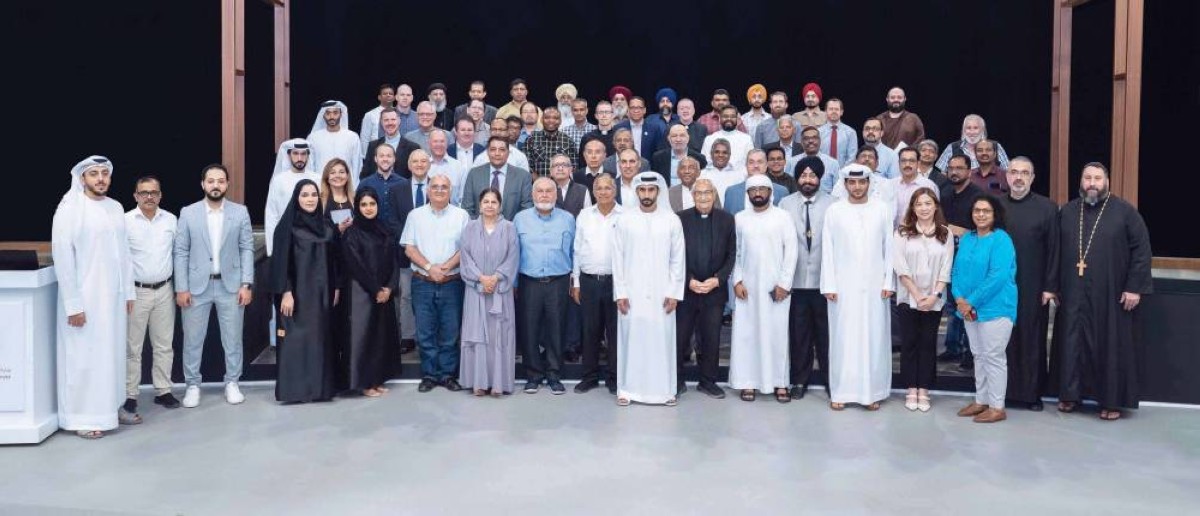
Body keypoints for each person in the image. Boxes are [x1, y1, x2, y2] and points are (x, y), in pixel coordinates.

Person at [1051, 162, 1152, 420]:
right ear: (1081, 181)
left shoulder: (1125, 212)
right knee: (1071, 341)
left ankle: (1111, 401)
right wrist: (1054, 286)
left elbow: (1141, 251)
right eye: (1087, 178)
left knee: (1109, 343)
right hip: (1072, 291)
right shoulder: (1068, 212)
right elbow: (1055, 251)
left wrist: (1134, 287)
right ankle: (1070, 395)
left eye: (1097, 178)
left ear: (1107, 182)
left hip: (1111, 292)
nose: (1092, 183)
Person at [52, 156, 135, 438]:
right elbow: (63, 258)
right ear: (82, 179)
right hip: (84, 300)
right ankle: (83, 418)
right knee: (84, 357)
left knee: (111, 355)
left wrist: (128, 292)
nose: (100, 179)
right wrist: (73, 305)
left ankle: (111, 407)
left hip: (113, 298)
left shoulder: (116, 207)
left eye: (104, 173)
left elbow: (124, 253)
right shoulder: (70, 209)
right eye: (94, 174)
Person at [175, 164, 254, 408]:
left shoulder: (240, 212)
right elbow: (181, 251)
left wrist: (246, 284)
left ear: (227, 183)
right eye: (211, 181)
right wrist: (181, 287)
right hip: (195, 288)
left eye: (220, 181)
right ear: (203, 184)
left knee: (233, 339)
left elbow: (246, 248)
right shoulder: (188, 213)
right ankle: (192, 385)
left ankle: (232, 382)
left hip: (231, 286)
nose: (216, 185)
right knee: (192, 340)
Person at [821, 164, 894, 410]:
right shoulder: (835, 211)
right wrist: (829, 284)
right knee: (843, 338)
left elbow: (889, 248)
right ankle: (841, 392)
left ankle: (873, 393)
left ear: (869, 183)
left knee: (874, 338)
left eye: (862, 182)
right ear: (845, 184)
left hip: (875, 286)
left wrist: (888, 281)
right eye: (852, 182)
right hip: (842, 287)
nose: (857, 187)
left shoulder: (882, 209)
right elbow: (828, 249)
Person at [612, 172, 686, 406]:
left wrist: (674, 292)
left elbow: (678, 260)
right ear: (636, 192)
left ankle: (665, 391)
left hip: (663, 294)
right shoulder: (625, 220)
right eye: (642, 190)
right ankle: (627, 390)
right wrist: (620, 292)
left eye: (651, 190)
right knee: (631, 340)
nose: (646, 194)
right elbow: (617, 258)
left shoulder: (671, 220)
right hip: (631, 293)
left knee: (662, 340)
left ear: (658, 192)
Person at [729, 175, 799, 403]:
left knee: (777, 335)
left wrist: (784, 284)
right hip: (747, 289)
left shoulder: (783, 217)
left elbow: (791, 252)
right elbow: (736, 253)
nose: (758, 193)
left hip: (775, 289)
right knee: (747, 336)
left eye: (762, 189)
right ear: (748, 194)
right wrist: (737, 281)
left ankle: (779, 382)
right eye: (753, 190)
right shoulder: (740, 219)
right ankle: (747, 381)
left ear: (770, 192)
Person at [269, 180, 340, 403]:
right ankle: (296, 392)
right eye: (305, 195)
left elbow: (336, 261)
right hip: (297, 296)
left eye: (313, 195)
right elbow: (281, 263)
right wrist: (286, 292)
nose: (310, 199)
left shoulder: (327, 227)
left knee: (321, 341)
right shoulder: (287, 228)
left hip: (323, 295)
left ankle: (320, 390)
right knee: (296, 342)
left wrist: (337, 287)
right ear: (296, 198)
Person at [998, 157, 1060, 411]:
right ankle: (1003, 392)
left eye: (1025, 173)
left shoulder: (1047, 208)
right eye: (1014, 172)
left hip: (1034, 284)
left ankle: (1032, 395)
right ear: (1007, 176)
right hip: (1000, 285)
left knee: (1032, 339)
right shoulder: (996, 206)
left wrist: (1050, 286)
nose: (1019, 177)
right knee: (1003, 339)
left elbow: (1055, 249)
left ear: (1032, 178)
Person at [952, 195, 1018, 423]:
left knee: (993, 357)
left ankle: (997, 407)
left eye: (986, 211)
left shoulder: (1001, 239)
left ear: (995, 214)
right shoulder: (967, 239)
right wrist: (959, 298)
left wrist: (970, 301)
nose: (980, 214)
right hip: (968, 309)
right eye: (977, 210)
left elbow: (998, 276)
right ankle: (981, 401)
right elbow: (956, 270)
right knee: (978, 355)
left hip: (996, 308)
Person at [401, 175, 469, 392]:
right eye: (435, 187)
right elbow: (409, 248)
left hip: (452, 283)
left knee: (450, 332)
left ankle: (448, 375)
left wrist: (445, 267)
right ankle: (429, 375)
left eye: (444, 187)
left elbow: (466, 248)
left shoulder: (461, 216)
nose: (439, 190)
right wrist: (430, 267)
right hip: (422, 282)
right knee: (425, 332)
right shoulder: (415, 215)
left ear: (451, 191)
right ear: (428, 191)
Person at [892, 188, 954, 412]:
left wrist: (934, 295)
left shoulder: (945, 233)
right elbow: (900, 266)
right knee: (909, 343)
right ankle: (911, 388)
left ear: (935, 206)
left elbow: (946, 267)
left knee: (928, 344)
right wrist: (917, 295)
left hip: (934, 299)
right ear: (913, 208)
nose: (924, 208)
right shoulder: (902, 233)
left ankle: (924, 389)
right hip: (908, 297)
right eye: (919, 204)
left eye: (928, 203)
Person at [124, 176, 181, 419]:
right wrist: (125, 293)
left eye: (154, 192)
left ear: (160, 195)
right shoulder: (125, 221)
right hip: (135, 292)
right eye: (144, 192)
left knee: (164, 345)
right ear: (135, 196)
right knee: (132, 347)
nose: (149, 196)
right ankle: (129, 395)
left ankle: (163, 390)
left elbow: (179, 254)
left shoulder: (171, 220)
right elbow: (120, 260)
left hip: (165, 289)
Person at [779, 159, 835, 399]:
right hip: (796, 281)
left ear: (820, 178)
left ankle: (831, 380)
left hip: (825, 282)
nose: (808, 180)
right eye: (803, 175)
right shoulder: (785, 204)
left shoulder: (834, 204)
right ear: (797, 178)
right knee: (799, 335)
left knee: (826, 335)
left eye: (813, 175)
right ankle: (799, 381)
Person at [515, 177, 576, 395]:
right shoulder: (520, 219)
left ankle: (554, 375)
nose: (544, 195)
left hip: (558, 282)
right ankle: (533, 375)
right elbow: (514, 253)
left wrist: (574, 281)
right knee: (529, 329)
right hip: (529, 282)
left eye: (549, 191)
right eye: (539, 191)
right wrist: (513, 284)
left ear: (556, 194)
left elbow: (574, 251)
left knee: (556, 329)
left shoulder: (568, 219)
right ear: (532, 195)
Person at [675, 178, 735, 399]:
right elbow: (674, 254)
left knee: (711, 338)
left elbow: (732, 254)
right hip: (686, 290)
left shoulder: (727, 220)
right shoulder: (680, 219)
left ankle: (708, 382)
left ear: (714, 195)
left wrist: (717, 280)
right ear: (692, 196)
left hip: (714, 291)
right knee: (680, 338)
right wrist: (688, 280)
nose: (703, 197)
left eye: (707, 192)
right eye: (698, 193)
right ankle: (676, 380)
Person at [459, 188, 520, 396]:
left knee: (499, 337)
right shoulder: (469, 228)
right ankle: (478, 382)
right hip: (475, 291)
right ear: (480, 205)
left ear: (500, 206)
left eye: (494, 202)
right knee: (477, 337)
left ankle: (498, 384)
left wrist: (495, 277)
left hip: (500, 291)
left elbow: (513, 257)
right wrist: (480, 279)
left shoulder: (509, 228)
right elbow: (465, 258)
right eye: (486, 201)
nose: (490, 205)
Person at [340, 188, 398, 398]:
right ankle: (364, 383)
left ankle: (376, 379)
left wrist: (389, 287)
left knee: (380, 338)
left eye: (372, 204)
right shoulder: (352, 233)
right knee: (364, 338)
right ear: (357, 207)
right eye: (363, 205)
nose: (368, 208)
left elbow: (394, 262)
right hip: (362, 294)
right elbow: (356, 265)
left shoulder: (384, 229)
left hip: (384, 293)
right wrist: (376, 289)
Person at [572, 175, 623, 395]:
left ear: (615, 190)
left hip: (616, 282)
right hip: (589, 281)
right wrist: (576, 281)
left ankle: (614, 377)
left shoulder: (625, 216)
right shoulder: (584, 215)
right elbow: (577, 249)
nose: (603, 192)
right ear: (593, 192)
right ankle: (589, 377)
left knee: (615, 332)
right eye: (599, 188)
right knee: (589, 331)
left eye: (607, 188)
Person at [939, 154, 986, 367]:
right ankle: (952, 348)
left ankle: (970, 351)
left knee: (968, 302)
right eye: (951, 168)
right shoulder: (945, 193)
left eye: (959, 168)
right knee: (951, 304)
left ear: (969, 171)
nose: (954, 172)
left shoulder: (978, 196)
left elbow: (984, 227)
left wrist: (962, 231)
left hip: (970, 257)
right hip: (948, 254)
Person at [265, 139, 320, 257]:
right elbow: (272, 214)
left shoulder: (317, 179)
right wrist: (272, 249)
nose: (300, 158)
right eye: (295, 153)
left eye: (303, 154)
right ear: (289, 155)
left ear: (308, 155)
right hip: (286, 236)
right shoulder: (279, 180)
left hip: (312, 236)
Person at [462, 136, 534, 220]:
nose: (497, 153)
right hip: (479, 226)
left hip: (512, 226)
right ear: (487, 152)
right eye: (493, 149)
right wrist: (478, 226)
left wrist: (511, 227)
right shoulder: (474, 174)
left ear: (508, 153)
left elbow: (526, 209)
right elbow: (467, 208)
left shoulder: (522, 176)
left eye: (502, 150)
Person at [307, 100, 362, 181]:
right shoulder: (313, 138)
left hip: (345, 184)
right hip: (321, 183)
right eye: (328, 113)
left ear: (341, 114)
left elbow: (357, 165)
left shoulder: (352, 137)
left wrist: (353, 186)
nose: (331, 117)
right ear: (323, 115)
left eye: (335, 113)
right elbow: (310, 166)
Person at [935, 114, 1012, 170]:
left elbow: (1007, 170)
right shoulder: (952, 147)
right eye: (968, 128)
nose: (972, 132)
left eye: (976, 128)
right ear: (964, 130)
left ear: (982, 130)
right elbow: (943, 173)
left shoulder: (995, 146)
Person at [722, 149, 789, 214]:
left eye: (760, 162)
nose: (756, 166)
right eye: (751, 162)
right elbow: (727, 219)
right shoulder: (731, 192)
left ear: (766, 165)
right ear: (746, 165)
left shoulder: (781, 192)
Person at [362, 108, 421, 178]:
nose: (390, 123)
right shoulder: (373, 146)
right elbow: (365, 175)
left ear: (399, 121)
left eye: (393, 119)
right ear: (381, 123)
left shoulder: (412, 148)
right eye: (386, 120)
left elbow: (416, 175)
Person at [890, 147, 940, 223]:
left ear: (918, 163)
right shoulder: (891, 185)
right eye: (903, 161)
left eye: (912, 161)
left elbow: (935, 214)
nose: (907, 164)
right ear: (898, 163)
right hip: (893, 230)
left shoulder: (929, 186)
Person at [525, 106, 579, 177]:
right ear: (541, 120)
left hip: (561, 182)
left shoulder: (568, 141)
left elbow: (574, 167)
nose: (551, 121)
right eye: (547, 118)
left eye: (555, 118)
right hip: (537, 182)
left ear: (560, 121)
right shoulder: (531, 139)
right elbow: (526, 164)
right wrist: (538, 181)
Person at [701, 106, 754, 170]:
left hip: (740, 175)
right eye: (725, 116)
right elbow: (705, 163)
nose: (729, 119)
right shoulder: (709, 139)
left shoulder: (746, 139)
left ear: (737, 119)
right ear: (720, 119)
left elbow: (751, 162)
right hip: (714, 174)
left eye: (732, 116)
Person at [699, 139, 746, 205]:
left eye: (724, 152)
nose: (720, 155)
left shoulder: (739, 176)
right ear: (711, 154)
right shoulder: (701, 175)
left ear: (729, 155)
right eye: (717, 152)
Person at [427, 130, 466, 205]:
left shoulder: (458, 166)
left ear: (447, 143)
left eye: (442, 141)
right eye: (435, 141)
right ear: (429, 143)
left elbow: (462, 197)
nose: (439, 144)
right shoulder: (423, 167)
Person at [819, 98, 858, 167]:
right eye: (831, 109)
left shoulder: (850, 132)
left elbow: (852, 157)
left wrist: (842, 171)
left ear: (841, 112)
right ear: (825, 112)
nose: (834, 111)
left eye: (836, 109)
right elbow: (817, 154)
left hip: (844, 172)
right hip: (822, 171)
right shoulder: (818, 132)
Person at [359, 83, 396, 157]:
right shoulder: (370, 115)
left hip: (396, 154)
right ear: (379, 97)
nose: (388, 95)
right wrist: (367, 157)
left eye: (390, 93)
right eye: (385, 93)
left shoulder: (399, 114)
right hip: (375, 155)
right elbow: (364, 139)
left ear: (394, 97)